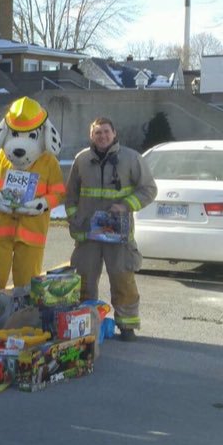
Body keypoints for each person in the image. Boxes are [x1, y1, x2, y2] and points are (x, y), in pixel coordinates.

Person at [66, 117, 156, 341]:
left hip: (119, 233)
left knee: (122, 278)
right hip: (88, 234)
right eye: (97, 133)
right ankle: (84, 324)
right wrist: (75, 223)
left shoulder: (131, 158)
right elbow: (70, 196)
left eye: (106, 132)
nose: (102, 136)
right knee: (83, 279)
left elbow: (148, 189)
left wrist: (125, 206)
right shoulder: (82, 160)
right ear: (91, 136)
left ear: (114, 134)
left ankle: (127, 326)